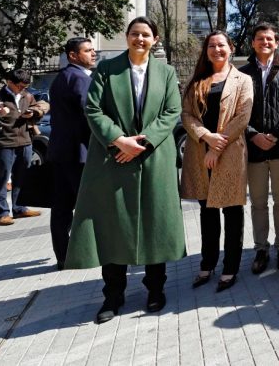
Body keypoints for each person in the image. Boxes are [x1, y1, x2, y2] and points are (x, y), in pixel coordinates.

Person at [65, 17, 186, 324]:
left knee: (154, 225)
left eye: (146, 34)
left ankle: (155, 289)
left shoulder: (166, 72)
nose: (140, 39)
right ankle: (113, 295)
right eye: (135, 34)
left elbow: (172, 111)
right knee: (113, 226)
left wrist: (142, 143)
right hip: (113, 159)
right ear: (127, 36)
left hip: (153, 158)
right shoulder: (107, 69)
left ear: (155, 39)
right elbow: (93, 109)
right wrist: (119, 140)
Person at [180, 31, 253, 292]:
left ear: (231, 48)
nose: (216, 49)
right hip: (200, 153)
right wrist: (206, 137)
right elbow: (187, 115)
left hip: (230, 153)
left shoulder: (243, 80)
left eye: (221, 45)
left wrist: (217, 146)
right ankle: (207, 263)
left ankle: (230, 267)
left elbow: (242, 117)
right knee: (207, 211)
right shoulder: (196, 80)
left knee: (232, 210)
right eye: (211, 46)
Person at [240, 24, 279, 274]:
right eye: (260, 39)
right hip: (255, 151)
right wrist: (253, 135)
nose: (265, 42)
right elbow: (236, 113)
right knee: (258, 202)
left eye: (269, 38)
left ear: (277, 42)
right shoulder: (242, 73)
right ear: (253, 43)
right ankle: (261, 249)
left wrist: (277, 133)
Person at [47, 37, 98, 270]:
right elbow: (91, 115)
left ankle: (63, 256)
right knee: (87, 205)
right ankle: (87, 253)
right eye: (87, 51)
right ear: (73, 55)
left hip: (59, 153)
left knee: (61, 209)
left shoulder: (60, 78)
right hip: (80, 154)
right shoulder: (79, 78)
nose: (93, 53)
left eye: (92, 50)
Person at [0, 69, 45, 226]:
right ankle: (2, 213)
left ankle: (20, 208)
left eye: (26, 86)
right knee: (1, 180)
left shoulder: (27, 96)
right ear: (9, 82)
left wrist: (33, 112)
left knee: (22, 178)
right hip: (4, 144)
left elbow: (38, 109)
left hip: (26, 142)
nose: (23, 88)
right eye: (20, 86)